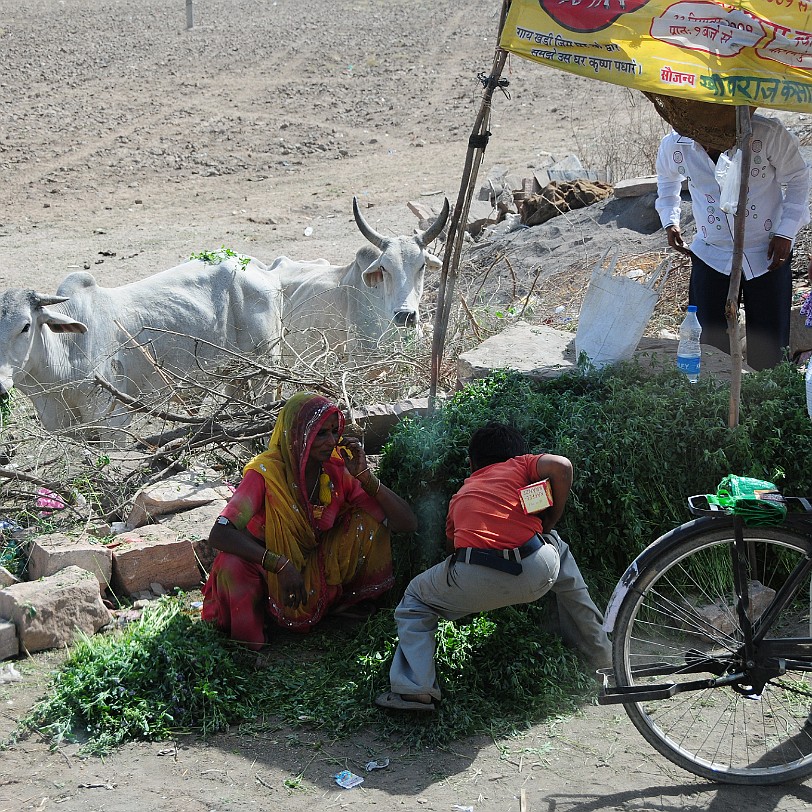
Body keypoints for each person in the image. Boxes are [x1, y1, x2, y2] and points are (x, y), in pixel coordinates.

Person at [375, 422, 611, 712]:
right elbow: (562, 465)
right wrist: (550, 521)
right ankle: (603, 655)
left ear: (471, 462)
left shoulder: (460, 496)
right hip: (537, 567)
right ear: (520, 455)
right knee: (558, 548)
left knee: (415, 599)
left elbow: (454, 549)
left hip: (473, 575)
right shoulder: (522, 467)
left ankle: (416, 689)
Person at [202, 392, 418, 649]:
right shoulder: (266, 474)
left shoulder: (336, 472)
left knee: (364, 522)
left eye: (333, 432)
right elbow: (220, 533)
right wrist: (280, 564)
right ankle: (250, 643)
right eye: (321, 434)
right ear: (296, 435)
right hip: (265, 569)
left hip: (311, 567)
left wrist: (365, 477)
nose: (331, 441)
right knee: (231, 565)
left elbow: (407, 524)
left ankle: (341, 607)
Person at [655, 109, 810, 371]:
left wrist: (786, 232)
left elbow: (798, 179)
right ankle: (715, 401)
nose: (708, 142)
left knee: (769, 348)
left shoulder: (767, 134)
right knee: (711, 343)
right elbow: (667, 180)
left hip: (768, 252)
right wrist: (670, 220)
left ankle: (765, 400)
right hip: (711, 253)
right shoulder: (677, 145)